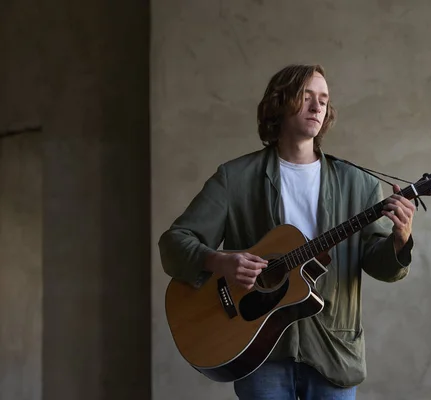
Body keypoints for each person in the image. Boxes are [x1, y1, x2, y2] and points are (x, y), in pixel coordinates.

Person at [158, 64, 416, 400]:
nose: (317, 106)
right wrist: (220, 263)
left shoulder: (360, 184)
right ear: (280, 103)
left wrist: (401, 239)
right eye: (306, 96)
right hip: (260, 350)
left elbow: (380, 266)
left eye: (323, 99)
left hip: (333, 349)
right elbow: (174, 243)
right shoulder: (235, 179)